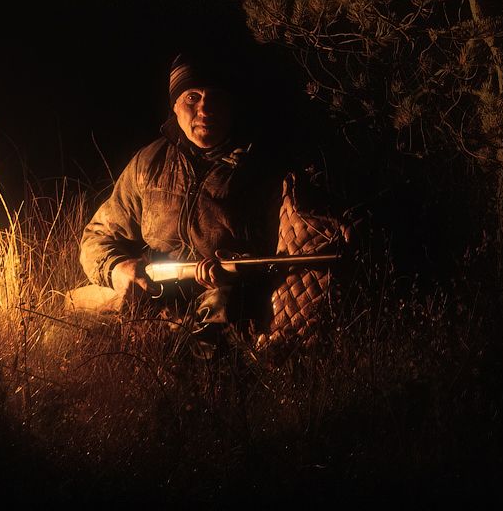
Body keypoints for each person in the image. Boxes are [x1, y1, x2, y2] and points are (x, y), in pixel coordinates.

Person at [78, 52, 343, 341]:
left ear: (231, 105)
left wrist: (238, 272)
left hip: (226, 299)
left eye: (216, 97)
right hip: (152, 288)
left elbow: (279, 259)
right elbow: (97, 236)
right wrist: (116, 269)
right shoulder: (149, 162)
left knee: (220, 312)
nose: (205, 109)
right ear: (175, 106)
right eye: (192, 97)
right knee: (73, 305)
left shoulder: (263, 171)